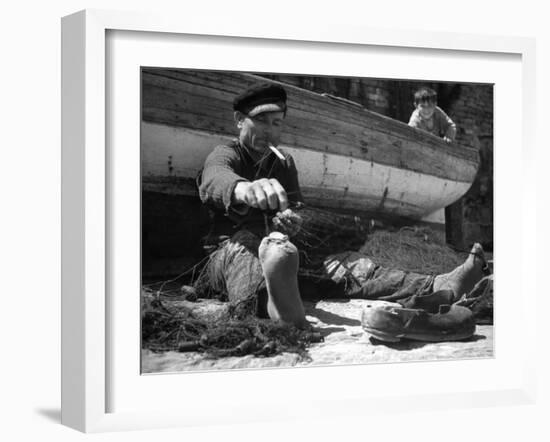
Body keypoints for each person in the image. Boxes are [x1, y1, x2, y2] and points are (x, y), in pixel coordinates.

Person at [196, 82, 486, 328]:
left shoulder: (283, 162)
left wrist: (292, 221)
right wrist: (244, 189)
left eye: (277, 123)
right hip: (227, 256)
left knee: (348, 264)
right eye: (260, 121)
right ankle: (276, 309)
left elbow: (296, 209)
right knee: (246, 245)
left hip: (282, 258)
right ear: (238, 120)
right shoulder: (226, 154)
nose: (270, 132)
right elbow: (213, 179)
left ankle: (436, 286)